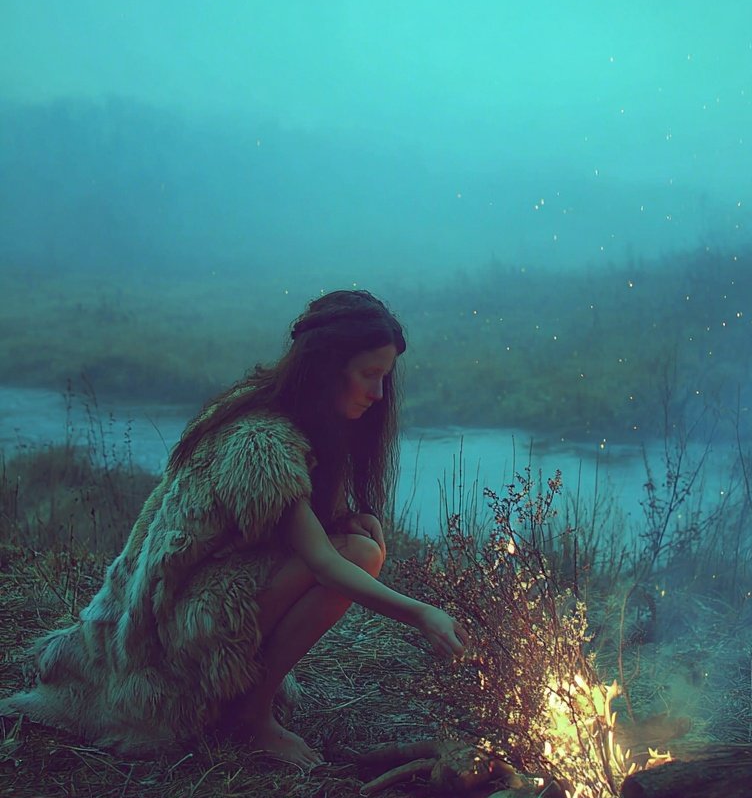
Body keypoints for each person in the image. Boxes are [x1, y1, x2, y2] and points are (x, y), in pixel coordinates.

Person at [0, 290, 467, 770]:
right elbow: (324, 563)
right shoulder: (258, 440)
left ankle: (245, 702)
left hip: (191, 604)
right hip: (170, 634)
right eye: (369, 375)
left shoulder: (294, 418)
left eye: (384, 377)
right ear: (329, 368)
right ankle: (252, 718)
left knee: (359, 543)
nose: (379, 394)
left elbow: (277, 528)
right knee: (358, 556)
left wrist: (345, 518)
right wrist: (422, 614)